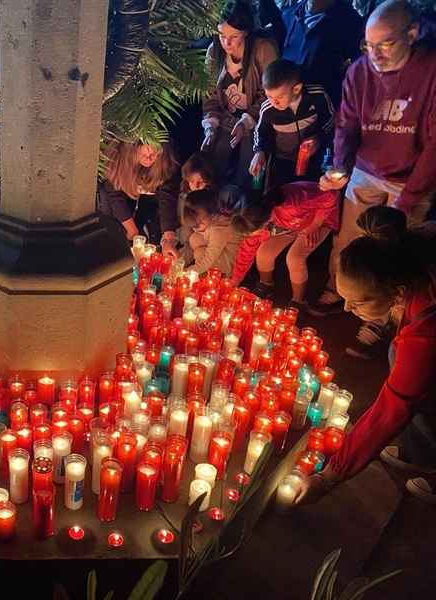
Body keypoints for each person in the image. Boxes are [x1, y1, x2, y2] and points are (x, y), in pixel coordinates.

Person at [309, 0, 436, 360]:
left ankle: (376, 320)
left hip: (411, 178)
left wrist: (411, 196)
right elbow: (346, 123)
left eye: (385, 44)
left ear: (412, 33)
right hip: (366, 169)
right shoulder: (360, 72)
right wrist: (340, 167)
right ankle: (341, 289)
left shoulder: (430, 71)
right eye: (368, 45)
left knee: (390, 255)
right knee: (347, 238)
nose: (375, 54)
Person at [295, 206, 436, 505]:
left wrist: (330, 476)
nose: (347, 309)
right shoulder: (406, 257)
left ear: (398, 292)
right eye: (344, 299)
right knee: (397, 352)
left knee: (414, 382)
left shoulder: (427, 330)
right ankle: (422, 451)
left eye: (358, 303)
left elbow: (393, 408)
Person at [201, 0, 278, 190]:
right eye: (221, 36)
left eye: (234, 36)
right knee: (212, 167)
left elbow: (269, 94)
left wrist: (246, 121)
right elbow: (210, 94)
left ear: (246, 31)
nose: (226, 43)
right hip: (226, 117)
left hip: (256, 121)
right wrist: (210, 125)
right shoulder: (214, 51)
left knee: (248, 174)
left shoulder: (264, 50)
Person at [230, 181, 339, 315]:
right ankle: (266, 285)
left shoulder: (292, 205)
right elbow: (247, 250)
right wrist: (235, 282)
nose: (250, 236)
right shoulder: (257, 218)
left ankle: (298, 301)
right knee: (264, 253)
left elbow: (331, 195)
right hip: (291, 225)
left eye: (251, 233)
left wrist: (316, 224)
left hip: (319, 218)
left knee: (295, 258)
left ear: (263, 222)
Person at [250, 59, 334, 189]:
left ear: (296, 89)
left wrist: (318, 137)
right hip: (283, 161)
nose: (274, 103)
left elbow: (332, 119)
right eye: (269, 97)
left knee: (312, 191)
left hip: (313, 158)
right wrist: (258, 152)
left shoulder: (317, 96)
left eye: (280, 97)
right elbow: (260, 131)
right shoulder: (268, 109)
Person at [98, 139, 180, 252]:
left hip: (148, 201)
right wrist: (132, 231)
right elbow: (115, 196)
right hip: (119, 200)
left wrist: (169, 240)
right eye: (142, 155)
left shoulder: (166, 165)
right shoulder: (116, 160)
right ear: (131, 152)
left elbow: (167, 198)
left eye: (153, 155)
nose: (148, 159)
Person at [280, 0, 364, 108]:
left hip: (325, 103)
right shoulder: (288, 14)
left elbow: (356, 62)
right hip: (289, 101)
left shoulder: (349, 20)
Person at [177, 188, 240, 276]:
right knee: (194, 238)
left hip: (231, 261)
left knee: (199, 253)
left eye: (199, 224)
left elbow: (209, 259)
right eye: (193, 226)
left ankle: (211, 275)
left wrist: (188, 272)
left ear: (211, 215)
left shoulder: (218, 230)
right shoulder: (208, 221)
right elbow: (191, 248)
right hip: (219, 248)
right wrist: (179, 263)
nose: (195, 229)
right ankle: (202, 270)